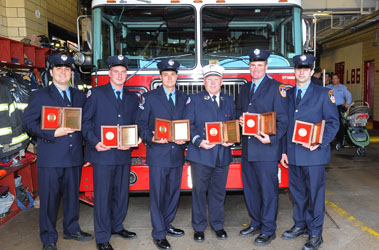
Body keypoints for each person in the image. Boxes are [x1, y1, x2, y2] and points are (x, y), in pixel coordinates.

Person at [22, 54, 93, 250]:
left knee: (72, 197)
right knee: (49, 200)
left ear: (71, 73)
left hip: (74, 156)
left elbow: (85, 125)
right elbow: (28, 124)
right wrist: (53, 132)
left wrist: (86, 153)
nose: (63, 72)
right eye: (59, 69)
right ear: (51, 72)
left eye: (67, 69)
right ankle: (48, 238)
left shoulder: (79, 95)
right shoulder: (40, 95)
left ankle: (72, 229)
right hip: (51, 157)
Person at [280, 54, 339, 250]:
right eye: (298, 68)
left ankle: (315, 234)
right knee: (297, 194)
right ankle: (300, 225)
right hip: (294, 153)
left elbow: (333, 122)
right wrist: (283, 151)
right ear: (294, 71)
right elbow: (286, 125)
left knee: (315, 195)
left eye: (306, 69)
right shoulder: (288, 94)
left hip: (314, 154)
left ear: (312, 71)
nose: (302, 72)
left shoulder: (323, 94)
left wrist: (319, 141)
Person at [82, 55, 139, 250]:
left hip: (123, 154)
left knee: (121, 194)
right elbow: (86, 122)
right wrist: (95, 142)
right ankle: (102, 236)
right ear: (109, 74)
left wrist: (133, 142)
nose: (120, 75)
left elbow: (136, 123)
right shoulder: (96, 94)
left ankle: (117, 226)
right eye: (116, 72)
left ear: (126, 75)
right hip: (103, 153)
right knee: (103, 196)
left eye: (123, 72)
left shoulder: (132, 97)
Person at [236, 49, 288, 246]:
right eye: (252, 65)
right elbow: (240, 112)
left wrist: (272, 139)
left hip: (266, 149)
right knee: (251, 190)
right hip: (248, 148)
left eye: (260, 65)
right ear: (249, 67)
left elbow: (283, 120)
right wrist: (240, 119)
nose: (256, 69)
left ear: (266, 67)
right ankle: (255, 222)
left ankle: (268, 229)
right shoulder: (245, 88)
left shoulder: (277, 88)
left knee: (268, 191)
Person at [137, 59, 188, 250]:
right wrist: (152, 138)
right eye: (165, 75)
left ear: (177, 77)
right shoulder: (149, 97)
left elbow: (187, 124)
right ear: (160, 77)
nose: (169, 78)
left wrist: (187, 139)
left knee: (173, 193)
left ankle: (167, 224)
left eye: (172, 74)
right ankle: (158, 233)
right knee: (158, 195)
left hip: (177, 153)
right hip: (158, 153)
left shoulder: (184, 98)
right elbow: (141, 125)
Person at [183, 64, 236, 243]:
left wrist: (232, 139)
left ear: (221, 82)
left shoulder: (229, 100)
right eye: (209, 80)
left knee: (219, 192)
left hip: (222, 154)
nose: (213, 83)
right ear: (204, 82)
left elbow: (232, 124)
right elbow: (187, 125)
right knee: (199, 192)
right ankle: (199, 227)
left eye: (216, 80)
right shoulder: (194, 100)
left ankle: (217, 225)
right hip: (201, 154)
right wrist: (199, 141)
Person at [326, 73, 352, 146]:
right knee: (330, 124)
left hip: (339, 108)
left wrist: (347, 104)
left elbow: (349, 96)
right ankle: (329, 142)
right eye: (333, 78)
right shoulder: (328, 87)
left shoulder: (343, 88)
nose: (334, 80)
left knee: (340, 125)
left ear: (338, 79)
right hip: (330, 107)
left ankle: (340, 141)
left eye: (336, 78)